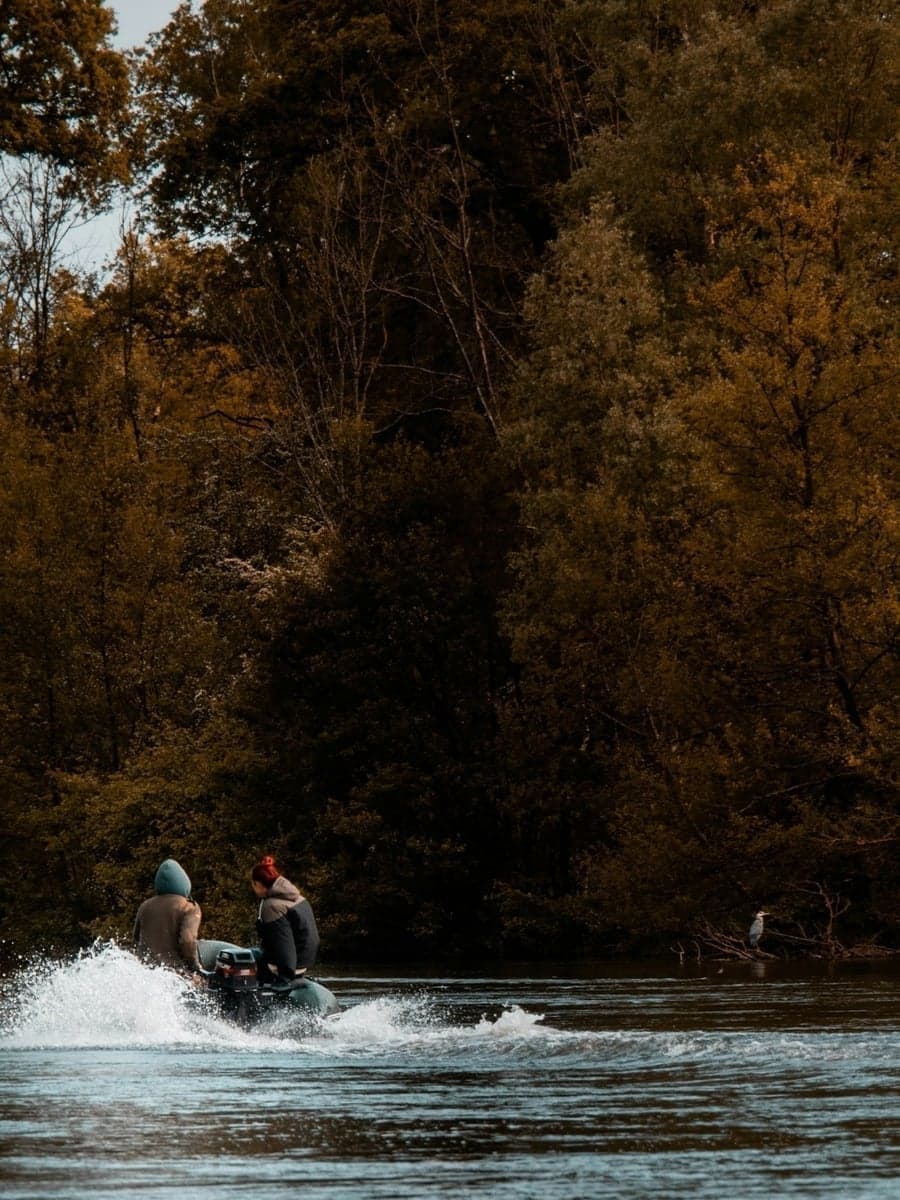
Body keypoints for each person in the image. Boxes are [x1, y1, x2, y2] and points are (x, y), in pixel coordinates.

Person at [251, 855, 320, 984]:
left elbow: (283, 945)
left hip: (288, 967)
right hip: (304, 961)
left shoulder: (271, 906)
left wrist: (284, 979)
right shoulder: (297, 897)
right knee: (254, 952)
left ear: (258, 884)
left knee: (243, 957)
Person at [133, 858, 202, 979]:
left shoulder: (145, 906)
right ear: (184, 882)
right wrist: (195, 967)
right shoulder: (188, 906)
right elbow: (188, 940)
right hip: (175, 975)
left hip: (145, 973)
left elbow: (136, 939)